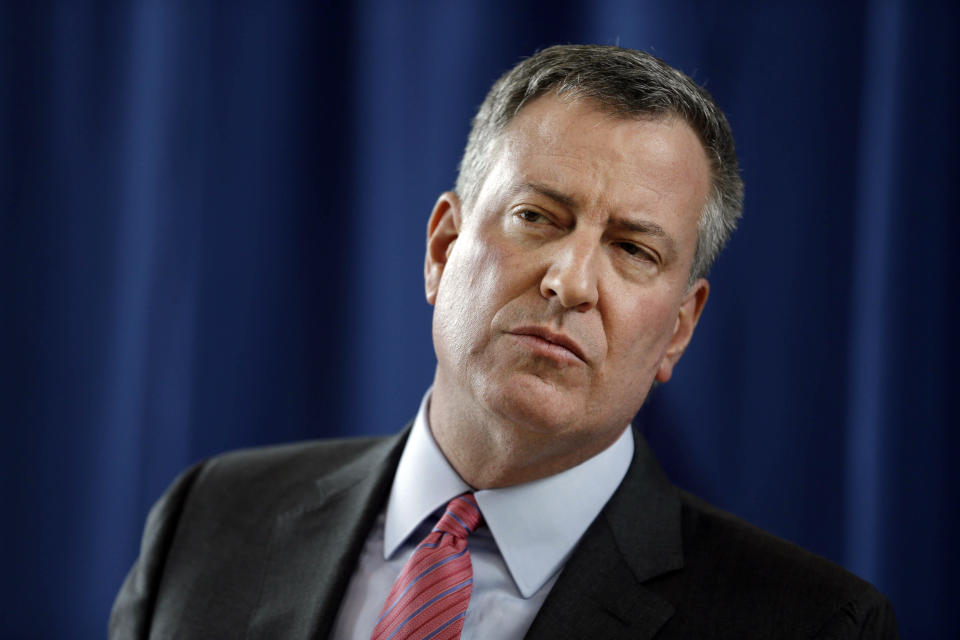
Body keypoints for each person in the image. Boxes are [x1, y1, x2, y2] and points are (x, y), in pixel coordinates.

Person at [110, 45, 898, 639]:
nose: (571, 281)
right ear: (442, 248)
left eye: (633, 249)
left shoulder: (814, 625)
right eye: (538, 217)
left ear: (679, 330)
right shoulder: (208, 519)